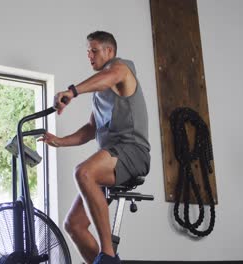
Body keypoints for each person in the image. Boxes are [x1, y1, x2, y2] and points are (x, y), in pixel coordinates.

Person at [39, 31, 151, 264]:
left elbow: (110, 77)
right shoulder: (100, 93)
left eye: (94, 50)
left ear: (109, 51)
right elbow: (90, 130)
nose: (89, 55)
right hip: (113, 156)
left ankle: (108, 255)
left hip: (133, 151)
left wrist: (72, 91)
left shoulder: (121, 68)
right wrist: (59, 141)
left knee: (84, 172)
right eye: (87, 51)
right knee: (75, 225)